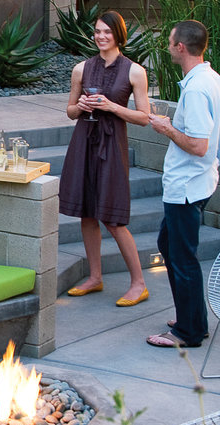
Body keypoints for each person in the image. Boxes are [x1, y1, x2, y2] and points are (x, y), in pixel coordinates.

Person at [146, 20, 220, 348]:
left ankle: (187, 332)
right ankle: (192, 318)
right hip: (201, 183)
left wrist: (166, 128)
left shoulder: (197, 89)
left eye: (170, 42)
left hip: (186, 188)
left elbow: (198, 144)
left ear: (180, 47)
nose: (168, 46)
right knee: (169, 245)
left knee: (181, 256)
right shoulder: (215, 81)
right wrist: (210, 165)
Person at [59, 10, 151, 307]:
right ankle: (95, 277)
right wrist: (82, 106)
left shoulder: (134, 71)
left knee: (112, 218)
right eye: (97, 31)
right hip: (84, 142)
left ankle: (139, 283)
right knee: (87, 212)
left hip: (112, 146)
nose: (100, 36)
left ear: (118, 35)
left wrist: (112, 106)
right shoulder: (81, 69)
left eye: (107, 32)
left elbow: (144, 117)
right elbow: (70, 111)